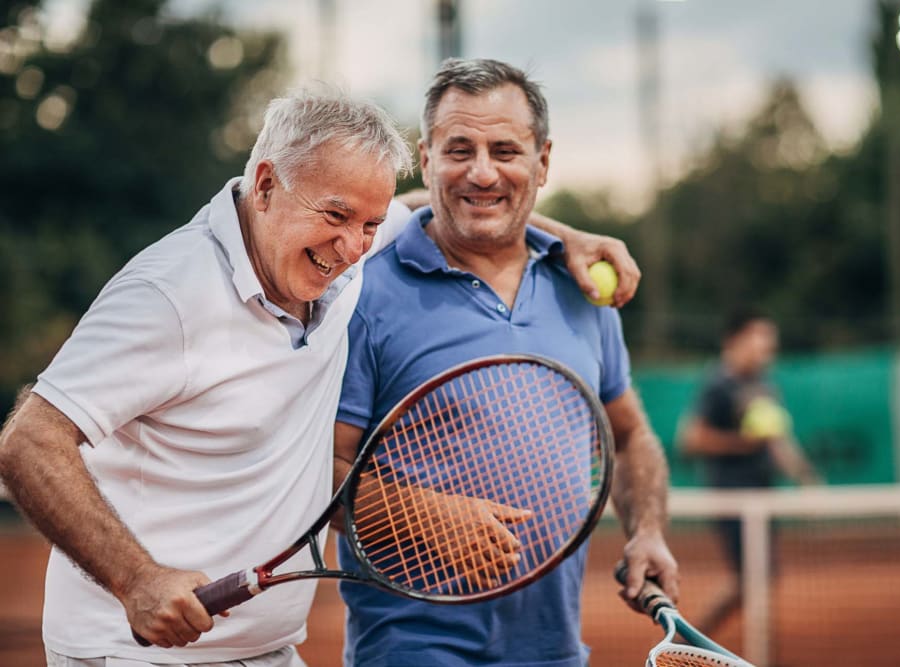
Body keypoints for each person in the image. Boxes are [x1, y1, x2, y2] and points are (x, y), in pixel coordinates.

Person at [0, 84, 641, 667]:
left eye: (369, 224)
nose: (354, 246)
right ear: (267, 183)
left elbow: (440, 206)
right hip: (136, 653)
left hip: (265, 648)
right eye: (335, 217)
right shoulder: (167, 295)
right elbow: (28, 441)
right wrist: (135, 578)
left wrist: (567, 236)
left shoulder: (339, 255)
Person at [333, 58, 678, 667]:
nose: (483, 171)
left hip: (553, 648)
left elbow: (629, 436)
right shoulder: (363, 294)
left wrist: (646, 530)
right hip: (413, 648)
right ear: (426, 159)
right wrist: (424, 516)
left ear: (543, 162)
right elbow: (318, 471)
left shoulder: (585, 291)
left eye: (506, 150)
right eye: (459, 149)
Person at [680, 308, 818, 633]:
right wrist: (743, 443)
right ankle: (690, 642)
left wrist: (804, 478)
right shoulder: (717, 383)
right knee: (753, 577)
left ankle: (743, 646)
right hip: (732, 495)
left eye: (770, 341)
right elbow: (692, 439)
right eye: (759, 339)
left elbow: (777, 441)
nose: (767, 348)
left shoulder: (763, 384)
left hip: (763, 493)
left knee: (760, 577)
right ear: (735, 340)